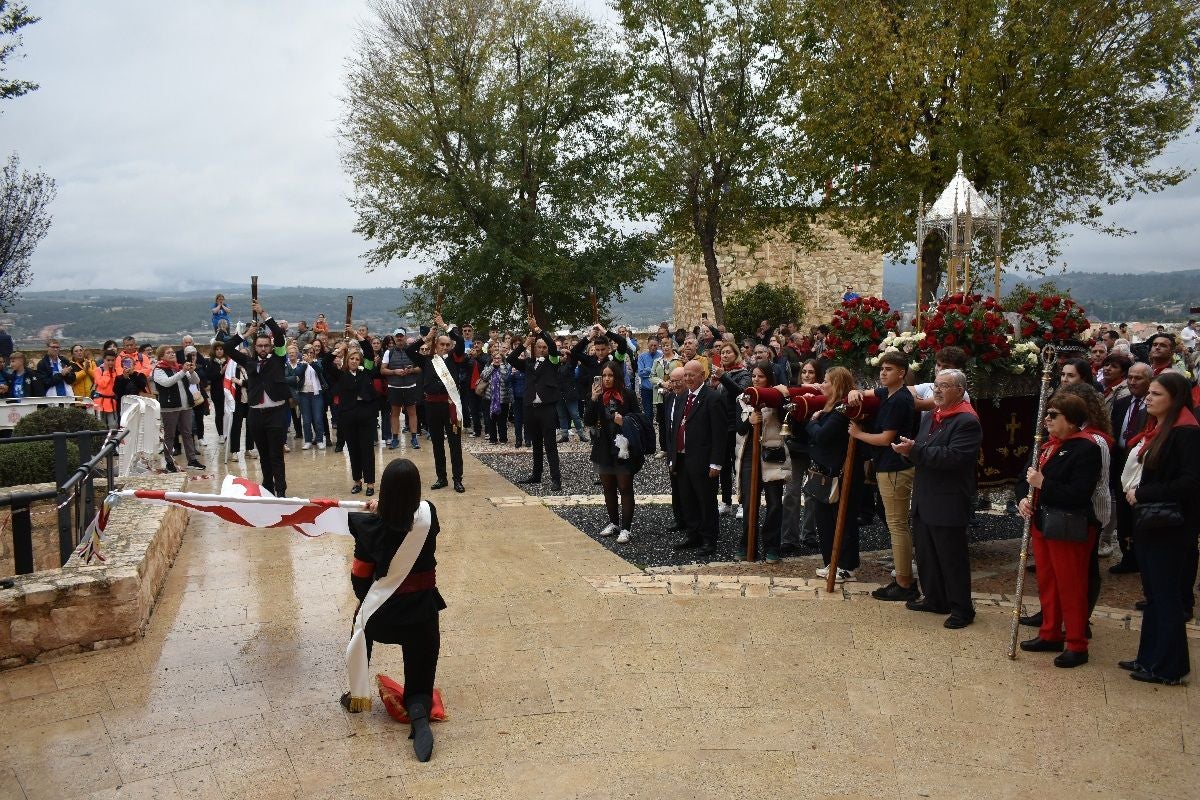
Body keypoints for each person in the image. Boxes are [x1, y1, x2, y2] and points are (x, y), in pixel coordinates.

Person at [343, 458, 444, 762]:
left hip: (383, 619)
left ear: (383, 491)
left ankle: (355, 695)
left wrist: (368, 598)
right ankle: (418, 708)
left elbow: (360, 576)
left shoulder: (369, 526)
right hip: (422, 614)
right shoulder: (428, 514)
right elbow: (410, 513)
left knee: (361, 620)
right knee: (421, 668)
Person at [1120, 371, 1200, 684]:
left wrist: (1143, 493)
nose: (1148, 398)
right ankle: (1149, 657)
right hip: (1152, 522)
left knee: (1166, 596)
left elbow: (1190, 482)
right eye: (1149, 393)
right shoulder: (1160, 428)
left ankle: (1169, 666)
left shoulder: (1187, 432)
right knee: (1154, 593)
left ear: (1175, 399)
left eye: (1156, 394)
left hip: (1170, 525)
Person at [1015, 392, 1101, 667]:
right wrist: (1024, 498)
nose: (1047, 419)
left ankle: (1076, 643)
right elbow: (1023, 478)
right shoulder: (1046, 445)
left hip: (1069, 526)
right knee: (1048, 582)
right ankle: (1050, 632)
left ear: (1072, 420)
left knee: (1071, 585)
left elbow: (1078, 493)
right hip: (1044, 522)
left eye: (1054, 415)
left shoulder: (1086, 447)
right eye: (1047, 414)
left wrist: (1042, 484)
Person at [893, 369, 982, 629]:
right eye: (936, 386)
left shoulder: (966, 421)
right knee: (927, 553)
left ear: (960, 391)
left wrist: (916, 451)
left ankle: (962, 609)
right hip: (925, 496)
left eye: (944, 386)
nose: (938, 391)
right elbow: (923, 447)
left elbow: (953, 457)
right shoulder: (933, 415)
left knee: (951, 557)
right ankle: (934, 598)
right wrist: (907, 450)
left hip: (948, 499)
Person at [849, 352, 919, 601]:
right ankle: (903, 578)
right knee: (896, 524)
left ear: (901, 373)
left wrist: (857, 434)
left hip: (894, 467)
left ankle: (904, 582)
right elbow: (870, 393)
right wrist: (855, 392)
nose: (883, 373)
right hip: (890, 466)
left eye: (888, 369)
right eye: (881, 369)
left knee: (897, 525)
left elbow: (886, 438)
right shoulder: (888, 394)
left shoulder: (899, 400)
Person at [225, 300, 290, 496]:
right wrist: (245, 335)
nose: (263, 348)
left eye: (265, 346)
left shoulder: (279, 357)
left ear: (270, 347)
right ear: (255, 346)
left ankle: (281, 490)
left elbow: (278, 335)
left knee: (276, 455)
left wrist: (263, 313)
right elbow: (228, 348)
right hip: (256, 414)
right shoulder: (248, 361)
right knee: (263, 455)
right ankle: (268, 487)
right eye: (259, 345)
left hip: (277, 412)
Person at [805, 366, 861, 582]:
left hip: (841, 473)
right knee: (824, 520)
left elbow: (822, 436)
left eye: (827, 381)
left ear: (837, 384)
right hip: (825, 472)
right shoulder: (829, 407)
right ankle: (831, 562)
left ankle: (846, 566)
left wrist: (812, 422)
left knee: (843, 519)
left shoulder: (841, 410)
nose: (822, 384)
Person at [670, 359, 729, 558]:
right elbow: (675, 426)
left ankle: (709, 538)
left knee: (706, 501)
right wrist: (672, 456)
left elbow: (719, 434)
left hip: (703, 460)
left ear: (701, 375)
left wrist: (716, 462)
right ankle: (693, 534)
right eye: (685, 375)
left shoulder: (712, 398)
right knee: (687, 499)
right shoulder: (681, 398)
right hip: (683, 457)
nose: (687, 379)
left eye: (691, 375)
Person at [734, 364, 791, 561]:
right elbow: (738, 429)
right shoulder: (743, 399)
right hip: (749, 455)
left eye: (761, 376)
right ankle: (747, 544)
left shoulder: (777, 399)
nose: (756, 379)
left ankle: (772, 546)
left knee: (775, 503)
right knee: (750, 503)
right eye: (754, 376)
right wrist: (749, 421)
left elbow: (788, 419)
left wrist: (782, 397)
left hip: (772, 454)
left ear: (769, 379)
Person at [406, 313, 467, 493]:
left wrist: (446, 326)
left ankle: (457, 479)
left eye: (448, 344)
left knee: (455, 444)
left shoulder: (456, 359)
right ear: (436, 345)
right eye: (442, 344)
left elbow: (461, 343)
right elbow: (410, 351)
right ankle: (442, 477)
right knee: (437, 443)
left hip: (450, 406)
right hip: (432, 407)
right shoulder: (427, 360)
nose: (445, 347)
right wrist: (426, 338)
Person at [584, 362, 641, 542]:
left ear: (616, 377)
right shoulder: (598, 396)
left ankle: (626, 528)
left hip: (623, 446)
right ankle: (613, 522)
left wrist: (624, 421)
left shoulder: (627, 394)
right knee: (608, 487)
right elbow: (588, 420)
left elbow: (639, 418)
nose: (607, 379)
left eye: (610, 375)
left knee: (624, 486)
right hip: (603, 445)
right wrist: (593, 399)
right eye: (604, 376)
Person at [508, 321, 563, 492]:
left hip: (547, 407)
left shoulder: (553, 362)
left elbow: (553, 347)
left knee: (550, 444)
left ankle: (556, 478)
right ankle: (536, 474)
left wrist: (539, 330)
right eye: (539, 347)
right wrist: (524, 344)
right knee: (536, 443)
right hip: (531, 407)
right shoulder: (529, 363)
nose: (542, 349)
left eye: (544, 347)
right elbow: (510, 358)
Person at [325, 332, 381, 495]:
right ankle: (357, 481)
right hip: (348, 416)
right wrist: (339, 349)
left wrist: (359, 337)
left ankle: (370, 483)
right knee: (353, 450)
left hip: (366, 415)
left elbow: (370, 354)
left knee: (367, 450)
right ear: (347, 360)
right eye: (351, 359)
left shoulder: (367, 372)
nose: (354, 361)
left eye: (357, 359)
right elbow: (326, 363)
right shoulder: (340, 375)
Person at [1109, 362, 1152, 575]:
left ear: (1150, 381)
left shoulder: (1152, 406)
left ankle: (1142, 556)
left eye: (1139, 378)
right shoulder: (1122, 403)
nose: (1133, 382)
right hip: (1120, 465)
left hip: (1141, 467)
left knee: (1138, 513)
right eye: (1131, 377)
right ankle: (1128, 556)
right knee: (1123, 514)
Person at [152, 345, 205, 472]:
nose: (172, 354)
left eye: (172, 352)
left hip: (186, 406)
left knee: (187, 433)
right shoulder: (159, 370)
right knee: (170, 435)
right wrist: (183, 371)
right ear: (161, 357)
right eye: (168, 353)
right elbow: (167, 382)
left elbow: (196, 381)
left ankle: (192, 460)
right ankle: (169, 462)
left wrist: (191, 371)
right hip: (170, 407)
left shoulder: (179, 367)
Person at [712, 342, 749, 516]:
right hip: (721, 426)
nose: (725, 355)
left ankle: (742, 502)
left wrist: (723, 377)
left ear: (736, 354)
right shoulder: (718, 374)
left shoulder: (743, 373)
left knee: (738, 466)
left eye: (728, 352)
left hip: (735, 425)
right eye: (722, 353)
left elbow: (741, 393)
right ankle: (726, 501)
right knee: (723, 466)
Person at [295, 341, 327, 450]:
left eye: (312, 352)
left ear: (314, 353)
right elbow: (298, 373)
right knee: (307, 419)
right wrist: (305, 363)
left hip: (317, 394)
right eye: (307, 352)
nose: (310, 354)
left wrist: (311, 362)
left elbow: (320, 370)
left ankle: (320, 440)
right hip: (304, 394)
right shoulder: (300, 363)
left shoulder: (318, 362)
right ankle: (308, 440)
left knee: (318, 418)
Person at [478, 348, 512, 444]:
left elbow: (506, 378)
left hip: (503, 398)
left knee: (502, 420)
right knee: (491, 420)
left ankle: (503, 438)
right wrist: (492, 366)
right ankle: (493, 439)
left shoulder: (506, 366)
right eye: (495, 358)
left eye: (499, 358)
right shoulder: (488, 366)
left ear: (502, 359)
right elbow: (483, 376)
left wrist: (500, 366)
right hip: (489, 398)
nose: (497, 360)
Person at [92, 350, 121, 428]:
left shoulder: (117, 371)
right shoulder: (97, 370)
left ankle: (112, 440)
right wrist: (107, 372)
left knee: (113, 425)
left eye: (113, 360)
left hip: (112, 402)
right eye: (108, 360)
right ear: (104, 359)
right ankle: (101, 440)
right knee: (101, 425)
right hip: (99, 401)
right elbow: (102, 384)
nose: (110, 362)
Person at [636, 338, 661, 429]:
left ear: (658, 345)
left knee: (661, 411)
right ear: (648, 345)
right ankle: (649, 430)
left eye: (655, 345)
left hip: (659, 387)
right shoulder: (642, 356)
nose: (653, 347)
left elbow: (662, 373)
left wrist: (647, 370)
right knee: (648, 412)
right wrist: (653, 371)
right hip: (646, 388)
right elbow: (640, 373)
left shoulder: (661, 355)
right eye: (651, 345)